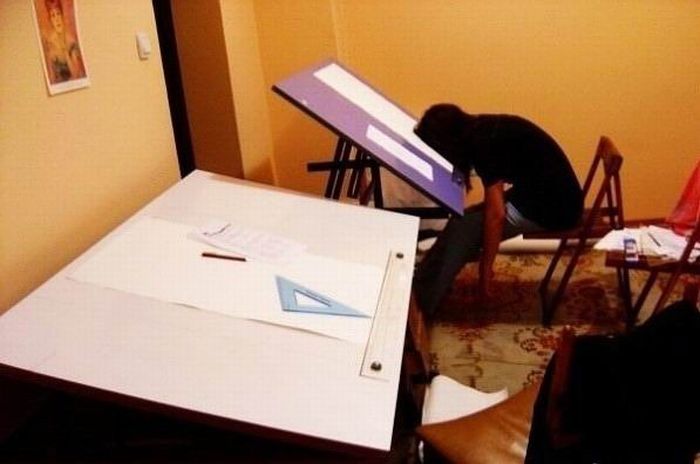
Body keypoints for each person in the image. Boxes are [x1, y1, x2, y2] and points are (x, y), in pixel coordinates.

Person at [412, 103, 583, 315]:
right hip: (548, 195)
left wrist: (485, 269)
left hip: (555, 208)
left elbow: (496, 216)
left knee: (464, 229)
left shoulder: (483, 144)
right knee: (464, 220)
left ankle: (422, 305)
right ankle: (424, 281)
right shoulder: (480, 128)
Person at [41, 0, 86, 83]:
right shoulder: (50, 44)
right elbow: (52, 77)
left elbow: (77, 74)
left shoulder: (71, 40)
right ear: (50, 20)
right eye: (53, 16)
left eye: (58, 14)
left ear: (62, 16)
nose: (57, 19)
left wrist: (65, 51)